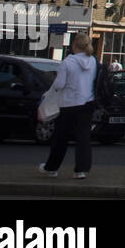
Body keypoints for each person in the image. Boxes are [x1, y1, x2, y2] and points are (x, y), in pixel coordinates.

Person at [38, 33, 97, 179]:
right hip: (88, 103)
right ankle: (81, 171)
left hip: (69, 104)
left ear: (74, 45)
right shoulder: (93, 61)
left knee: (61, 138)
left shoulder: (68, 62)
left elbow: (59, 84)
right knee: (83, 137)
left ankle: (51, 168)